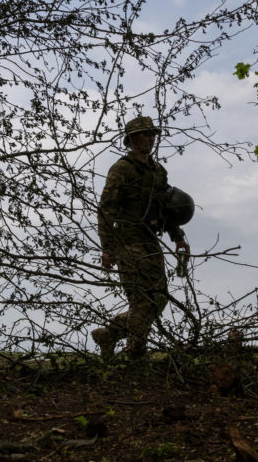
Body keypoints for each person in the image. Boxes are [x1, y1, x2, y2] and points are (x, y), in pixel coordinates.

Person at [92, 115, 190, 361]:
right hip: (128, 243)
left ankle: (110, 333)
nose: (150, 138)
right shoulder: (121, 169)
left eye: (152, 134)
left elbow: (164, 208)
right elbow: (106, 210)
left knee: (158, 299)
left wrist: (177, 235)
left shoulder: (158, 171)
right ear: (132, 138)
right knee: (141, 300)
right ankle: (135, 353)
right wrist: (108, 248)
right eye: (145, 134)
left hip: (150, 242)